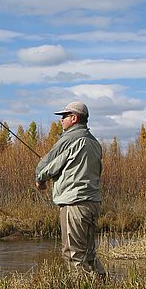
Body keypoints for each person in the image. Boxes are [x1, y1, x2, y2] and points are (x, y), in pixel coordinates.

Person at [35, 101, 106, 277]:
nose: (61, 120)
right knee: (89, 254)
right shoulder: (95, 143)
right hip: (93, 203)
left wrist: (40, 180)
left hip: (74, 204)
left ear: (74, 118)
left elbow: (46, 166)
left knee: (73, 254)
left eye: (64, 116)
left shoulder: (68, 139)